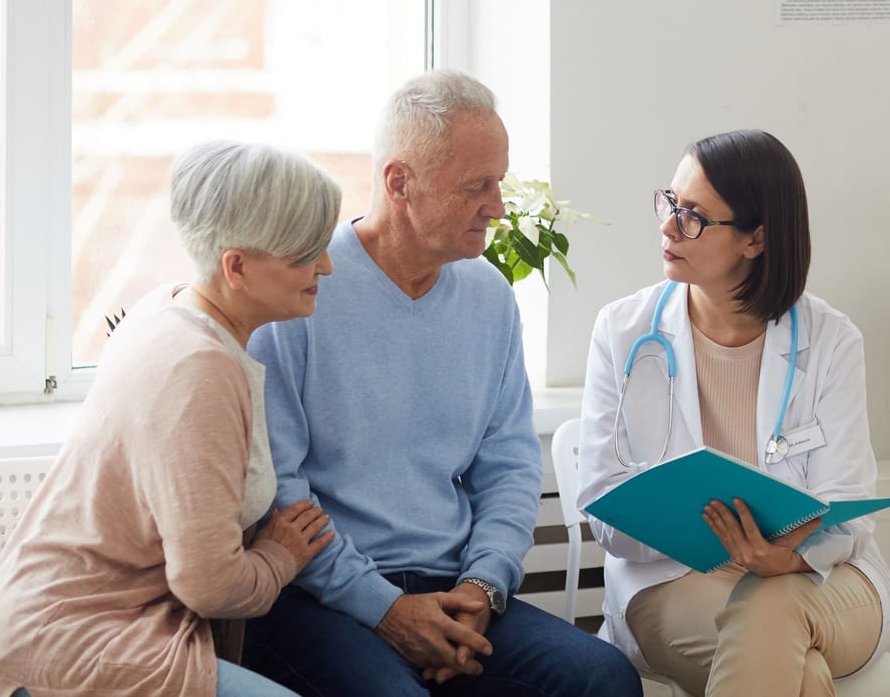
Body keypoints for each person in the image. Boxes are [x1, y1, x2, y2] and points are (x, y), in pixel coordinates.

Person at [242, 70, 639, 697]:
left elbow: (508, 465)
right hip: (320, 597)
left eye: (500, 183)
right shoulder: (300, 291)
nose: (499, 207)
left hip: (455, 586)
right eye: (476, 186)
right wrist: (384, 609)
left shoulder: (489, 299)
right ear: (400, 182)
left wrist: (483, 587)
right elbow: (279, 491)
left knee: (602, 678)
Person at [0, 141, 343, 697]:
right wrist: (279, 557)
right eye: (303, 254)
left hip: (69, 619)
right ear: (235, 266)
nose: (327, 266)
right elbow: (210, 586)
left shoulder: (167, 305)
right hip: (72, 642)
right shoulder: (199, 369)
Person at [574, 129, 890, 696]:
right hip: (675, 582)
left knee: (774, 608)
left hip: (822, 581)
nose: (668, 227)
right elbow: (604, 508)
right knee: (802, 672)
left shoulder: (831, 340)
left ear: (756, 239)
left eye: (693, 215)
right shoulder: (622, 332)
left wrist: (786, 559)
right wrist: (717, 537)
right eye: (669, 203)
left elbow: (847, 506)